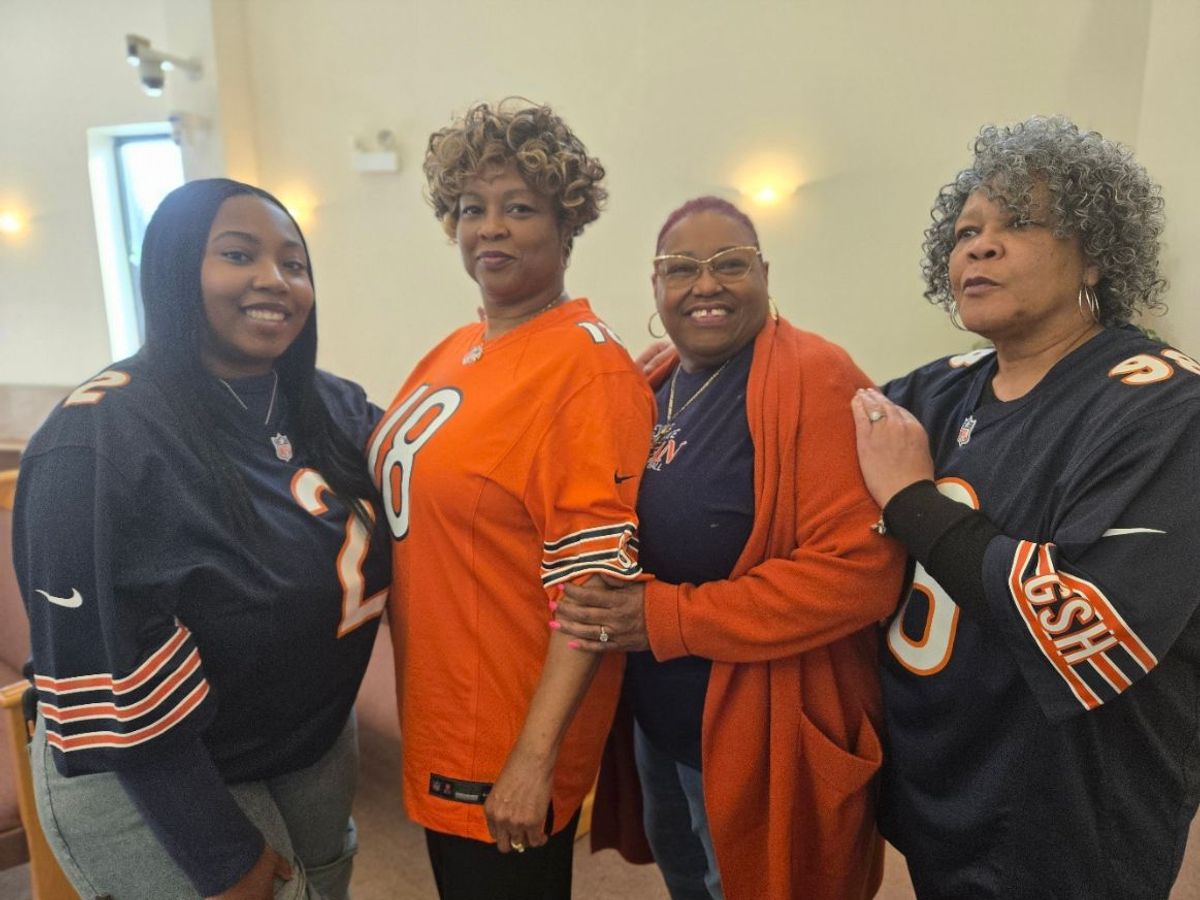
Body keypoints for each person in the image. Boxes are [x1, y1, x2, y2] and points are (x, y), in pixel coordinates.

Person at [852, 116, 1200, 899]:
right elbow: (808, 424)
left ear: (1097, 253)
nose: (980, 247)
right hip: (943, 780)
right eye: (966, 232)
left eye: (1019, 223)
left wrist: (910, 500)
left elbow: (1085, 628)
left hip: (1069, 812)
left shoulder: (1166, 404)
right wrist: (707, 363)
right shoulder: (937, 388)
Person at [15, 178, 390, 899]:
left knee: (324, 884)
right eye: (238, 255)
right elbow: (102, 666)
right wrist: (214, 850)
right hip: (158, 768)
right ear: (174, 267)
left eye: (294, 263)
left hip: (304, 737)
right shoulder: (97, 437)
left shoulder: (333, 405)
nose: (274, 280)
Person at [552, 196, 907, 900]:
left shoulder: (816, 375)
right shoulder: (654, 381)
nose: (706, 284)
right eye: (681, 268)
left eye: (730, 264)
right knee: (690, 879)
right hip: (663, 723)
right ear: (656, 286)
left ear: (765, 274)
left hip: (764, 728)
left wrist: (665, 617)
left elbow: (861, 574)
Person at [365, 99, 654, 900]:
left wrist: (533, 761)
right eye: (471, 208)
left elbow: (595, 588)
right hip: (441, 702)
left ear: (567, 224)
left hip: (504, 724)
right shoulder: (459, 347)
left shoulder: (585, 370)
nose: (489, 227)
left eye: (519, 208)